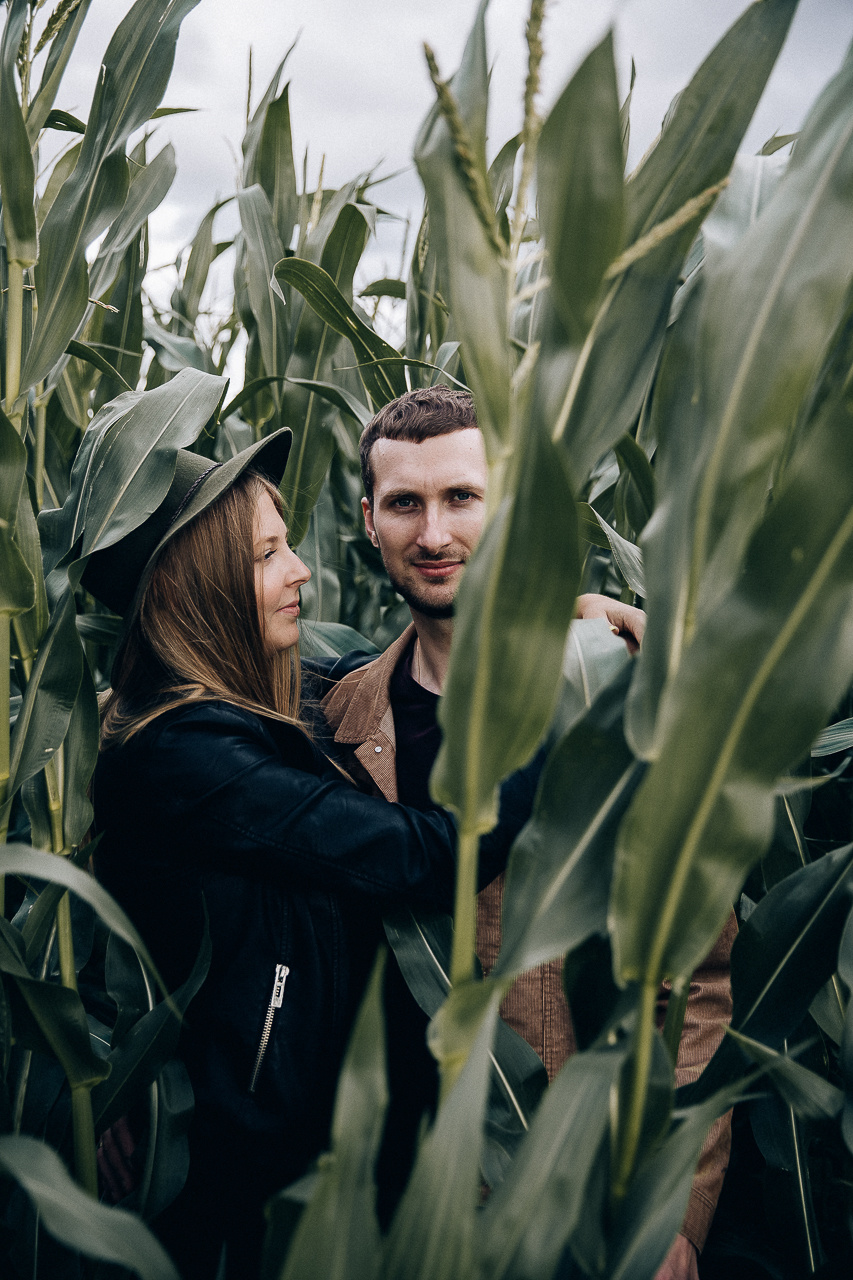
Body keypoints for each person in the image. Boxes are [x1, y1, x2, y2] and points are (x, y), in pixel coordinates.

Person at [84, 427, 536, 1280]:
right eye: (265, 555)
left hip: (302, 1155)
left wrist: (566, 622)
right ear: (202, 592)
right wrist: (553, 733)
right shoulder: (183, 755)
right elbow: (423, 853)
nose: (300, 572)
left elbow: (374, 672)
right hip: (241, 1180)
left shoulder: (237, 712)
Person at [320, 386, 737, 1280]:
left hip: (571, 1199)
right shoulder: (336, 719)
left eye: (461, 498)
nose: (433, 534)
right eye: (404, 503)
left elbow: (697, 972)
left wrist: (676, 1204)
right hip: (392, 1210)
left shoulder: (608, 699)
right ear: (367, 520)